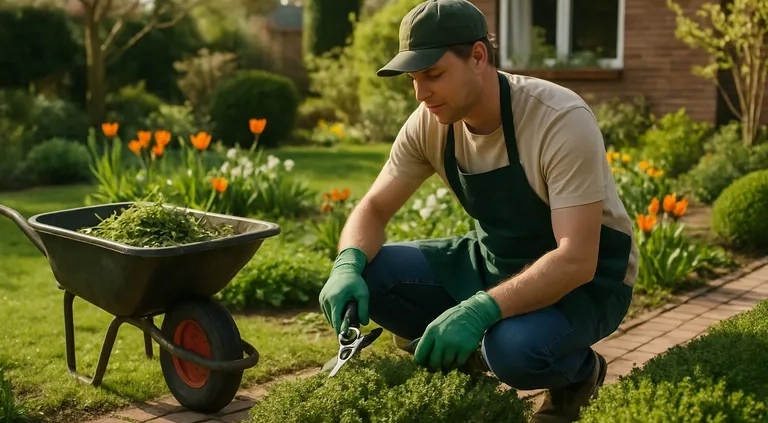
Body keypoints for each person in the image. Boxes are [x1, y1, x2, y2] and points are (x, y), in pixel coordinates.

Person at [318, 0, 638, 421]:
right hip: (495, 260)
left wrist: (479, 310)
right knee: (372, 274)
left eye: (433, 74)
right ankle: (459, 362)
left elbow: (577, 258)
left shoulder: (558, 118)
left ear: (478, 56)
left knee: (511, 350)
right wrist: (347, 263)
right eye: (413, 79)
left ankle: (578, 374)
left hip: (589, 281)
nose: (421, 93)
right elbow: (374, 207)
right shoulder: (429, 123)